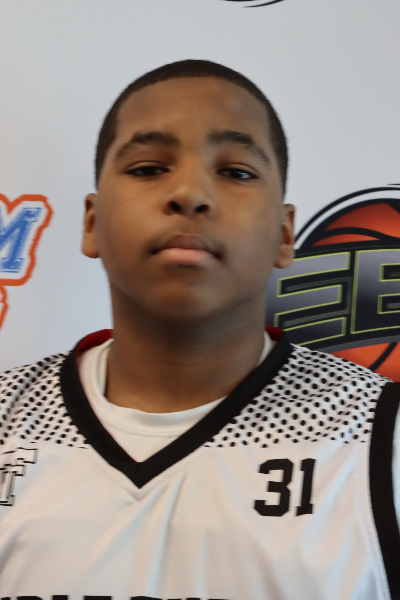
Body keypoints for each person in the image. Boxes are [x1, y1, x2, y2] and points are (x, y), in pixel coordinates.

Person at [0, 59, 399, 600]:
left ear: (285, 234)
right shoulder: (8, 419)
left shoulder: (379, 437)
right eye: (148, 168)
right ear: (91, 222)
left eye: (236, 172)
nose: (190, 193)